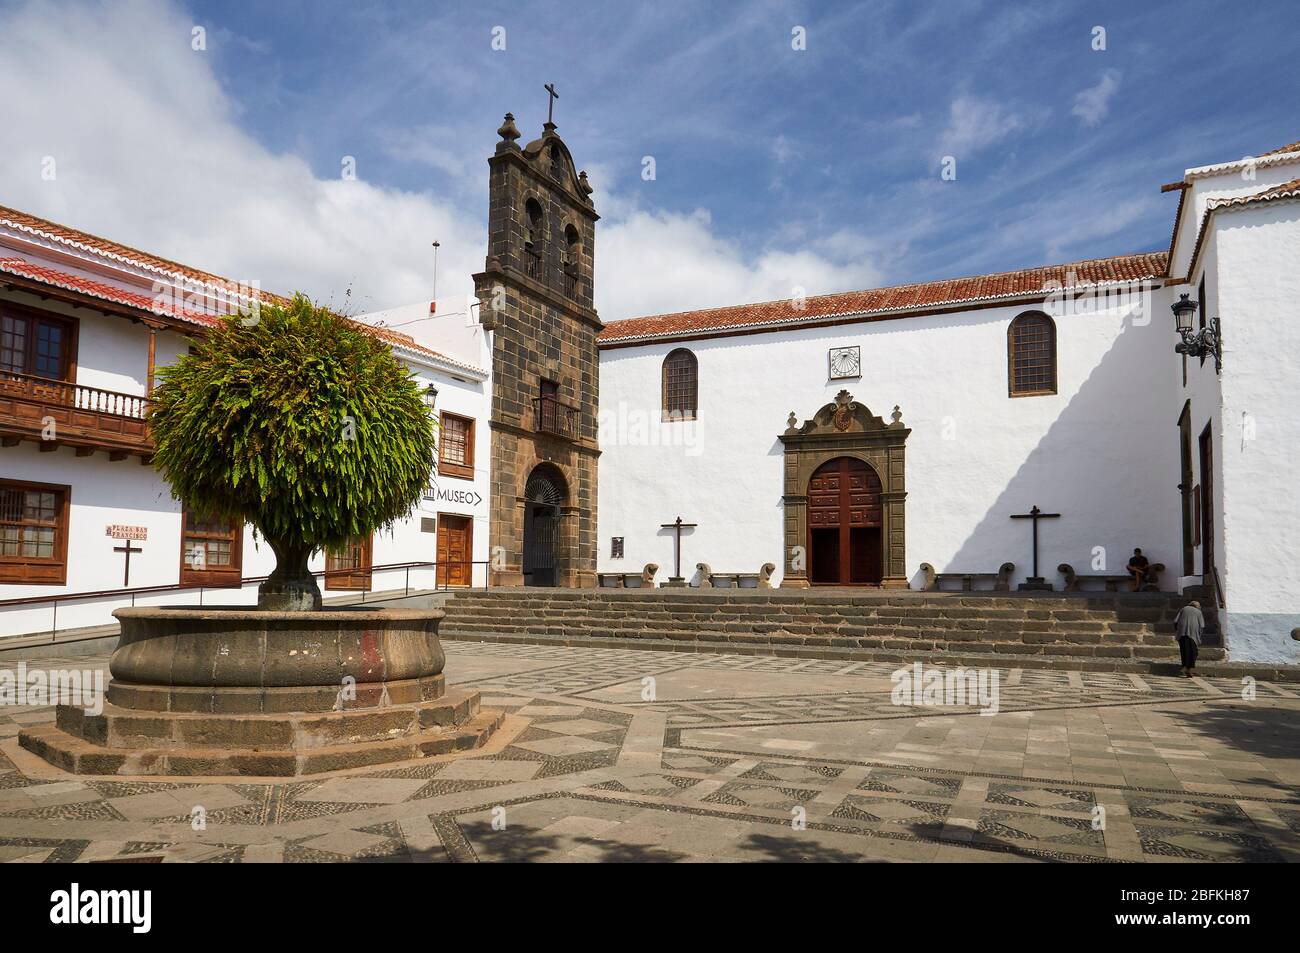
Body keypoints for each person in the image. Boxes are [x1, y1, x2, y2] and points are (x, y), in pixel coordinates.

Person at [1174, 600, 1204, 677]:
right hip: (1193, 635)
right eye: (1199, 606)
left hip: (1182, 634)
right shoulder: (1198, 612)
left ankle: (1185, 667)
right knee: (1193, 652)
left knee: (1184, 651)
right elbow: (1202, 626)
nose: (1200, 607)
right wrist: (1199, 636)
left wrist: (1177, 631)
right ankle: (1188, 669)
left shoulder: (1183, 609)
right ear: (1196, 606)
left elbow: (1175, 621)